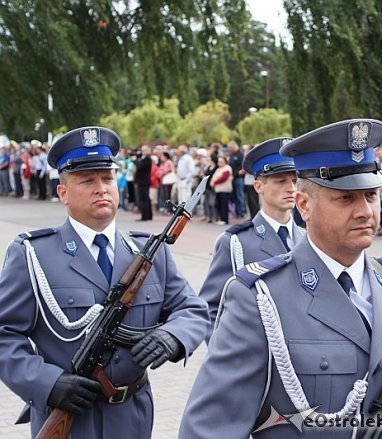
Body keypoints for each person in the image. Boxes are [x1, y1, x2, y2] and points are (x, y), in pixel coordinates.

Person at [180, 119, 382, 439]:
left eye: (370, 195)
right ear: (304, 205)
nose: (365, 211)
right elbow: (209, 429)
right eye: (345, 198)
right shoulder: (259, 299)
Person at [0, 126, 209, 438]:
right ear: (63, 193)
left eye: (107, 178)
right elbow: (5, 335)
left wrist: (173, 336)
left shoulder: (148, 252)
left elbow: (193, 309)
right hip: (71, 418)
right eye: (87, 181)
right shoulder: (33, 254)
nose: (101, 188)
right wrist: (46, 383)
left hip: (132, 417)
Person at [199, 137, 306, 340]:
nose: (291, 188)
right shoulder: (236, 243)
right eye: (280, 181)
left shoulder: (307, 238)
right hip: (256, 357)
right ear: (258, 187)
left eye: (294, 180)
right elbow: (211, 307)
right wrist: (227, 356)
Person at [134, 144, 153, 221]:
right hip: (143, 181)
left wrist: (135, 160)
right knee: (145, 198)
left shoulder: (147, 159)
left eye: (144, 150)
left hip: (143, 181)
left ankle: (144, 216)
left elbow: (139, 166)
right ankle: (148, 215)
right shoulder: (143, 158)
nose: (143, 151)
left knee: (143, 199)